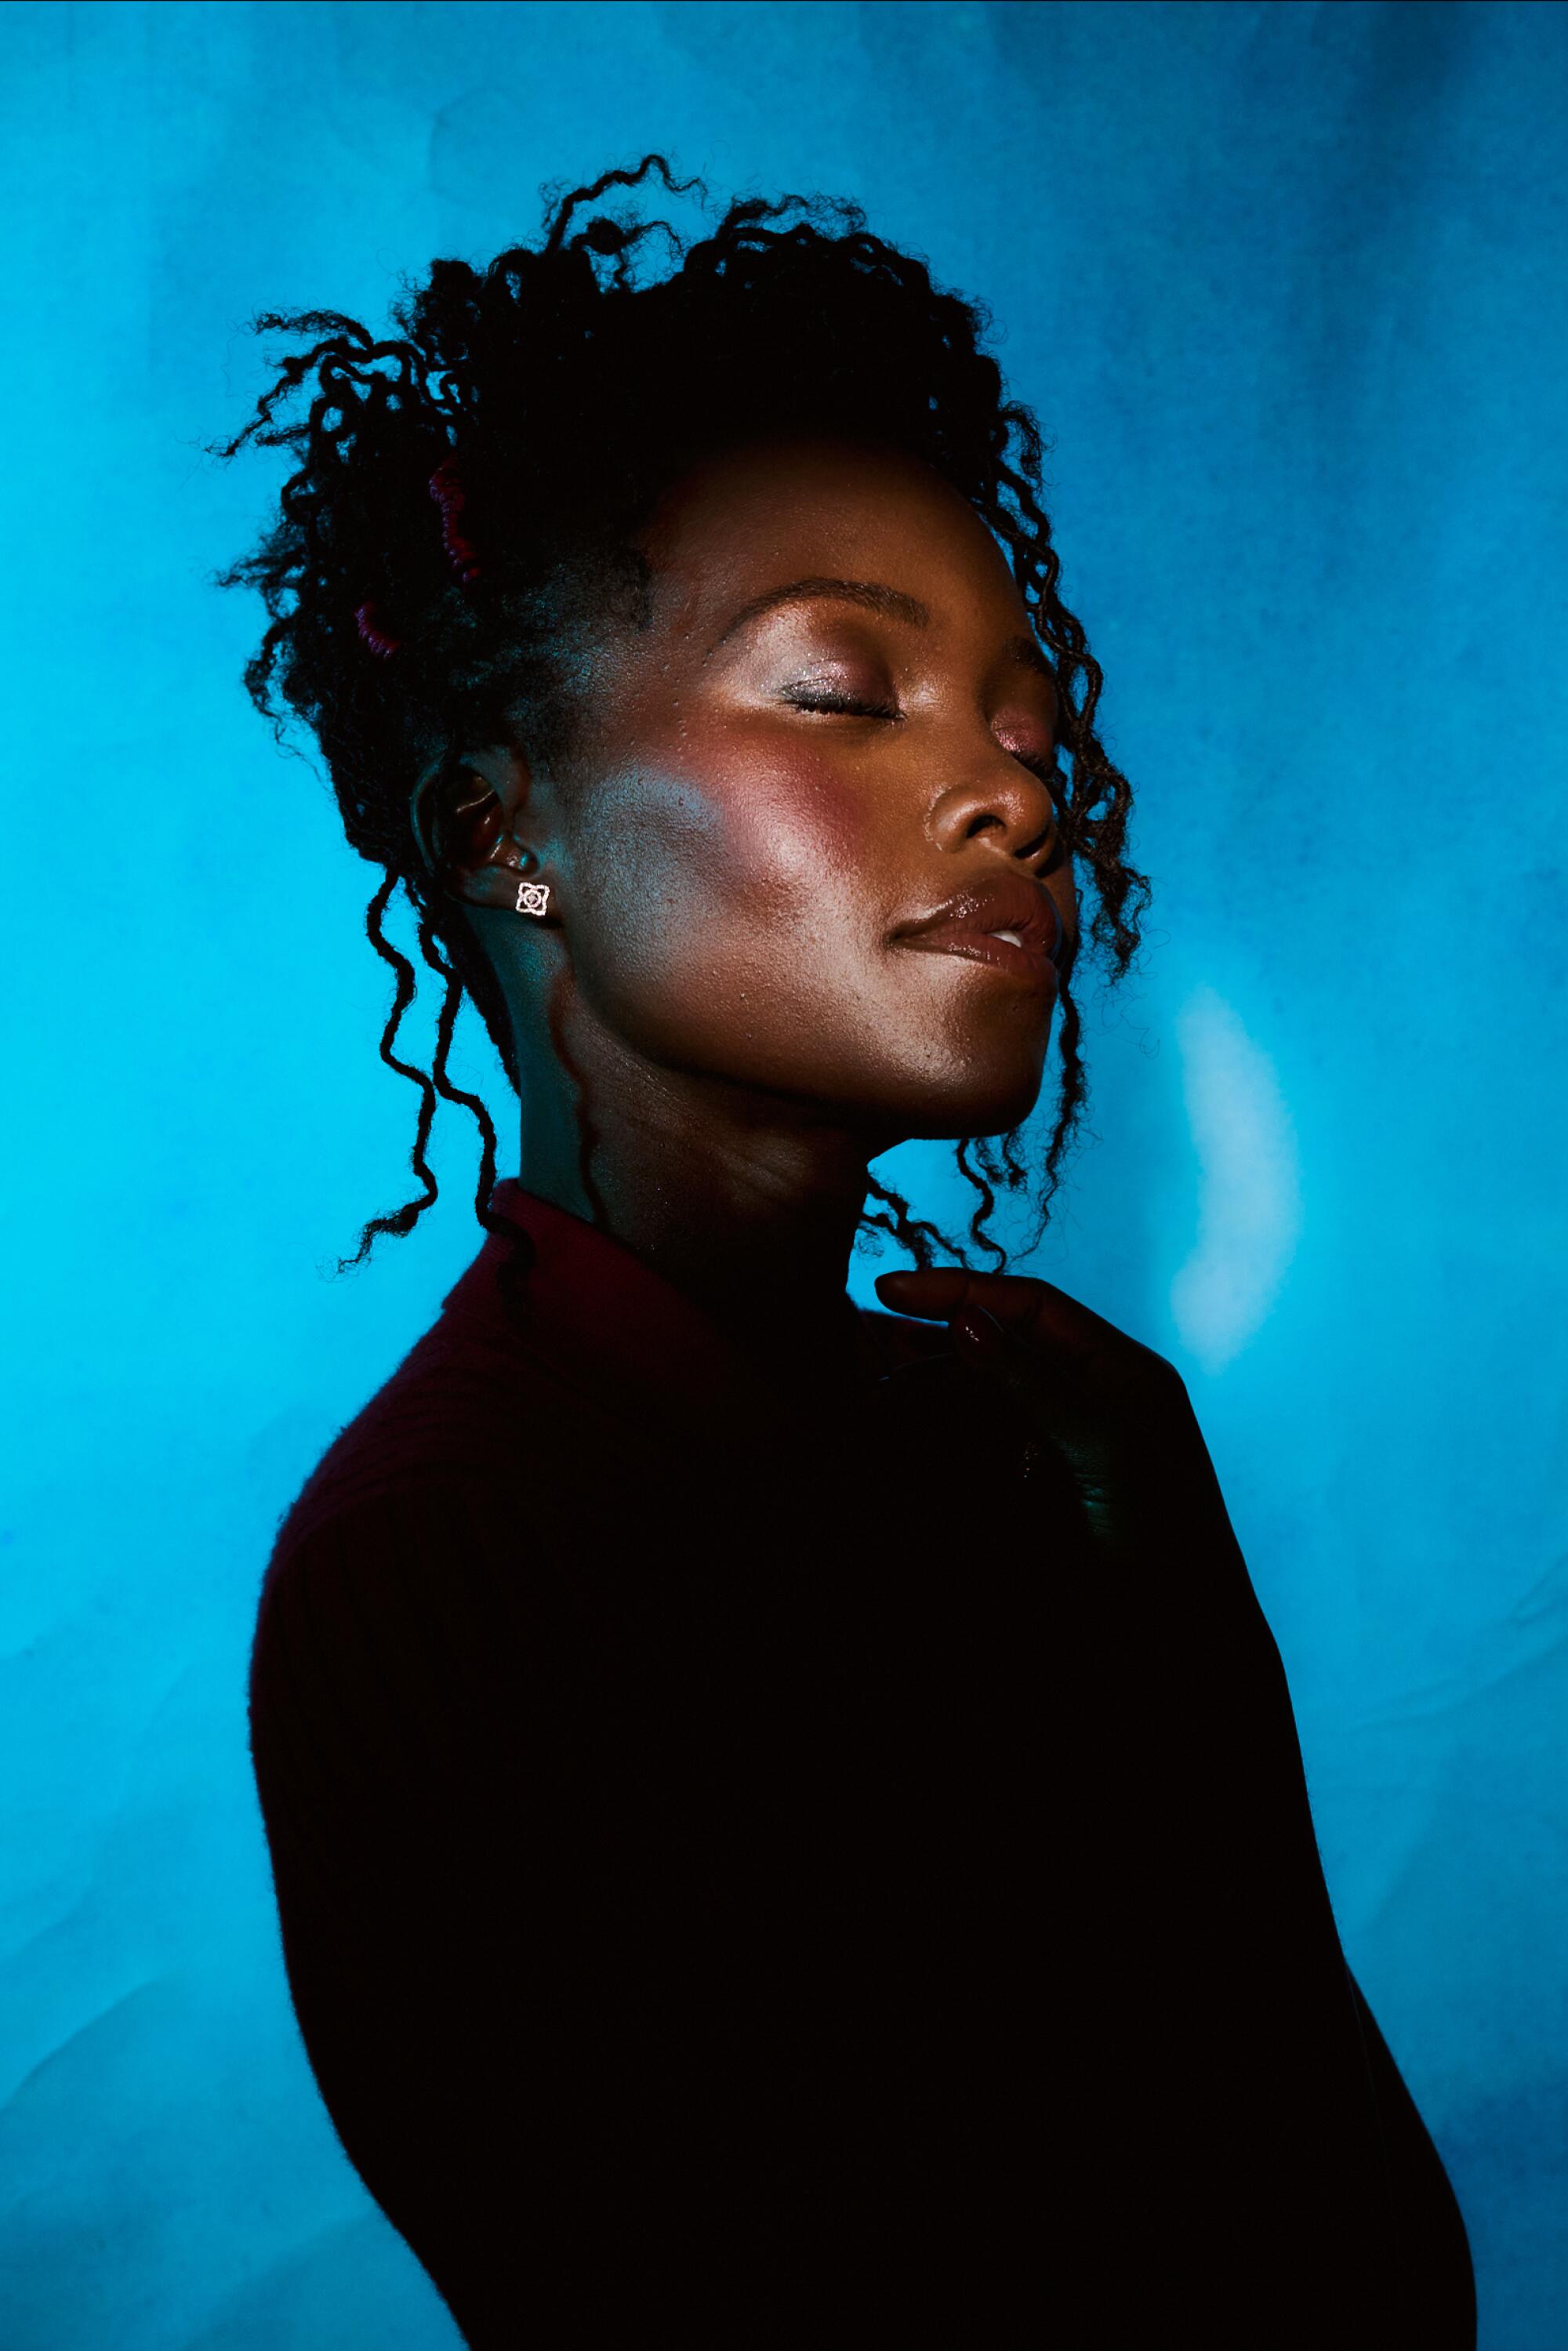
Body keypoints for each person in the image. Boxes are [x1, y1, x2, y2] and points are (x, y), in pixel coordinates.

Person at [221, 158, 1475, 2346]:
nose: (1021, 798)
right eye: (840, 690)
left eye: (1024, 720)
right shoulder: (453, 1561)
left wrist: (1199, 1688)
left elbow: (1376, 2271)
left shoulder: (1018, 1462)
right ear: (505, 824)